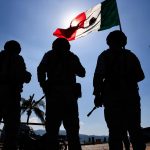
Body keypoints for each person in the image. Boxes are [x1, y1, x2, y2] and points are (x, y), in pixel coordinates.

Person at [93, 30, 146, 150]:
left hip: (115, 98)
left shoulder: (105, 56)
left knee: (116, 132)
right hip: (128, 98)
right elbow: (141, 76)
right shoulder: (130, 56)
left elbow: (98, 77)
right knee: (134, 130)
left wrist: (97, 95)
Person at [37, 38, 85, 150]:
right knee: (59, 129)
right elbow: (41, 70)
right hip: (60, 95)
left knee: (61, 130)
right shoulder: (52, 55)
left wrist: (44, 85)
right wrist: (44, 85)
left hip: (63, 95)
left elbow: (82, 72)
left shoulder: (68, 56)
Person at [0, 40, 31, 150]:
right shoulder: (18, 59)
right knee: (12, 129)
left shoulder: (4, 56)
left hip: (9, 95)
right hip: (12, 96)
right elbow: (25, 77)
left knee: (12, 129)